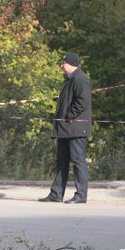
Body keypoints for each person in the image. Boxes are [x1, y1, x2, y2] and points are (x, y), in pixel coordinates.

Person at [39, 52, 92, 204]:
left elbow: (83, 102)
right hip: (65, 128)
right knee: (61, 161)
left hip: (75, 128)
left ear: (71, 64)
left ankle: (81, 195)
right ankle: (56, 194)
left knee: (78, 161)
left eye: (63, 63)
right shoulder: (68, 80)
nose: (61, 66)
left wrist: (69, 115)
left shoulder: (80, 79)